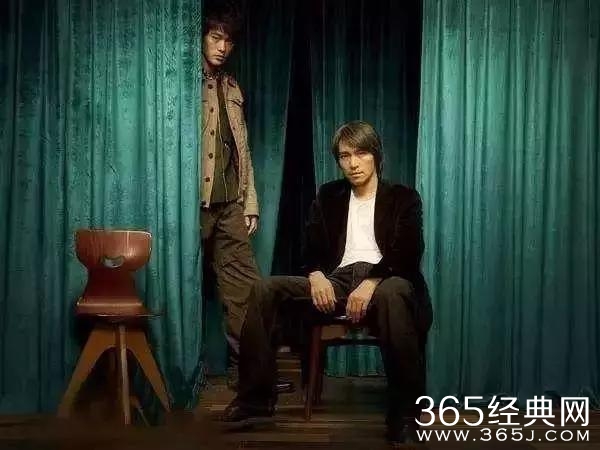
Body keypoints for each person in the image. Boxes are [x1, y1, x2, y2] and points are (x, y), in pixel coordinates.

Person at [221, 121, 433, 445]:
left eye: (361, 153)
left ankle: (404, 414)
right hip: (337, 280)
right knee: (265, 288)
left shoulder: (403, 198)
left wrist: (371, 282)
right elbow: (311, 248)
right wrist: (316, 274)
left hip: (387, 279)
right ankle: (255, 400)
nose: (353, 163)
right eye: (345, 156)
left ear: (375, 155)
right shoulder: (329, 196)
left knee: (393, 292)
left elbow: (408, 252)